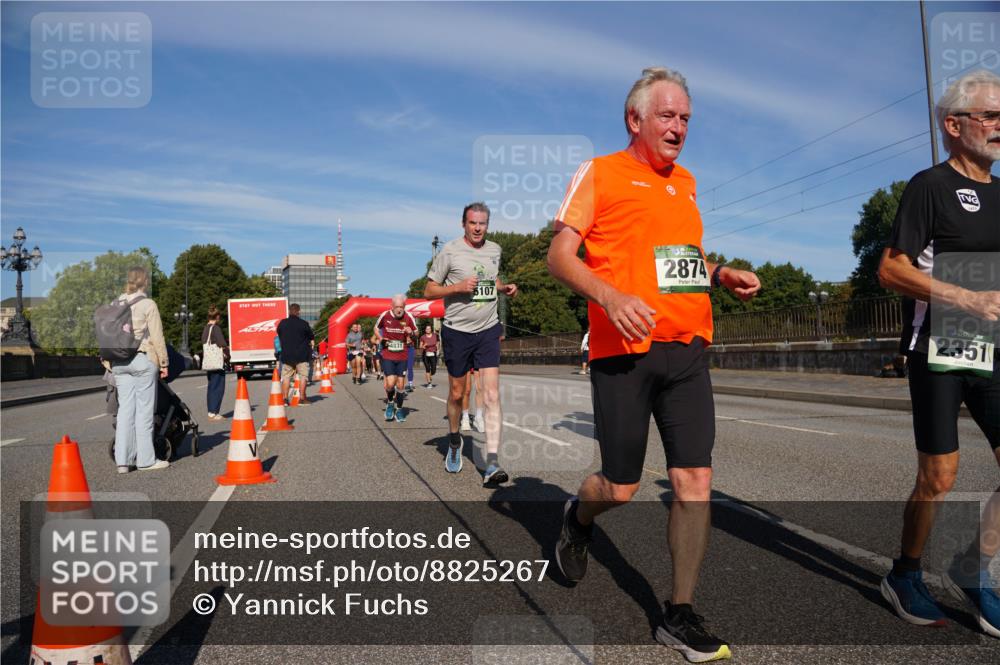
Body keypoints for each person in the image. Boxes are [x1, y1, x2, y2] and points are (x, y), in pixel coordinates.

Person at [547, 67, 761, 662]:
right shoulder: (600, 172)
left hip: (687, 350)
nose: (679, 127)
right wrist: (611, 298)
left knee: (695, 481)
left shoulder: (685, 183)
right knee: (620, 487)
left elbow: (680, 260)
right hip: (624, 352)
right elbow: (559, 256)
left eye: (686, 118)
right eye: (668, 115)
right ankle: (578, 517)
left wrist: (719, 273)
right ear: (634, 119)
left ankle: (679, 613)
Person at [877, 70, 1000, 638]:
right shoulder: (930, 186)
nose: (999, 126)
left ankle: (973, 568)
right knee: (939, 476)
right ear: (954, 125)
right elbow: (890, 270)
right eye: (990, 115)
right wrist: (965, 297)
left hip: (992, 348)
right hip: (939, 346)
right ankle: (904, 574)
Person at [424, 202, 518, 484]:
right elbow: (429, 290)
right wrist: (457, 287)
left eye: (482, 223)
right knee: (457, 393)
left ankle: (492, 463)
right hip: (457, 331)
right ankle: (455, 441)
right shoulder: (450, 251)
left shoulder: (495, 250)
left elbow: (491, 278)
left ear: (488, 225)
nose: (478, 228)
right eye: (473, 223)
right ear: (463, 224)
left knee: (491, 395)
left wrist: (503, 287)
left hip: (488, 329)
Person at [110, 266, 171, 472]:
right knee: (144, 412)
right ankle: (146, 460)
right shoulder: (147, 304)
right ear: (145, 282)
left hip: (118, 362)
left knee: (125, 412)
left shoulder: (115, 303)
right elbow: (157, 336)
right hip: (141, 358)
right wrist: (164, 363)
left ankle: (123, 461)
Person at [375, 295, 417, 422]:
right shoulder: (385, 315)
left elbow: (416, 332)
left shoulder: (408, 316)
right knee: (390, 383)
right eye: (397, 307)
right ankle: (390, 403)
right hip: (388, 354)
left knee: (400, 385)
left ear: (404, 307)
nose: (399, 309)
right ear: (392, 306)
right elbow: (376, 328)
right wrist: (381, 338)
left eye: (401, 307)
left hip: (402, 355)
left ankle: (399, 409)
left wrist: (411, 332)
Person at [277, 303, 315, 404]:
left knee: (286, 377)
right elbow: (311, 336)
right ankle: (302, 399)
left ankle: (285, 399)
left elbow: (279, 334)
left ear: (289, 311)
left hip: (287, 355)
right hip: (302, 355)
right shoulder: (304, 323)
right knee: (303, 376)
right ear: (299, 311)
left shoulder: (282, 323)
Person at [201, 305, 229, 421]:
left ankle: (211, 411)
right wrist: (228, 353)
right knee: (218, 387)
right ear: (217, 316)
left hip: (209, 362)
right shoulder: (216, 328)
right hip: (217, 363)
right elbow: (222, 343)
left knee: (211, 386)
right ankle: (214, 412)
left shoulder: (206, 328)